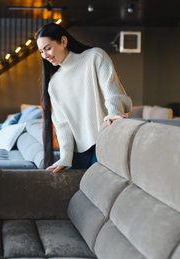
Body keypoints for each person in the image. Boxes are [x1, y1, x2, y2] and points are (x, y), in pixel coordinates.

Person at [36, 23, 132, 172]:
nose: (45, 55)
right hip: (78, 154)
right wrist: (65, 157)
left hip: (104, 143)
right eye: (41, 51)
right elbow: (63, 125)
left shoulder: (95, 57)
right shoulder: (54, 84)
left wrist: (114, 112)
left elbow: (111, 90)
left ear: (63, 41)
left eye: (48, 48)